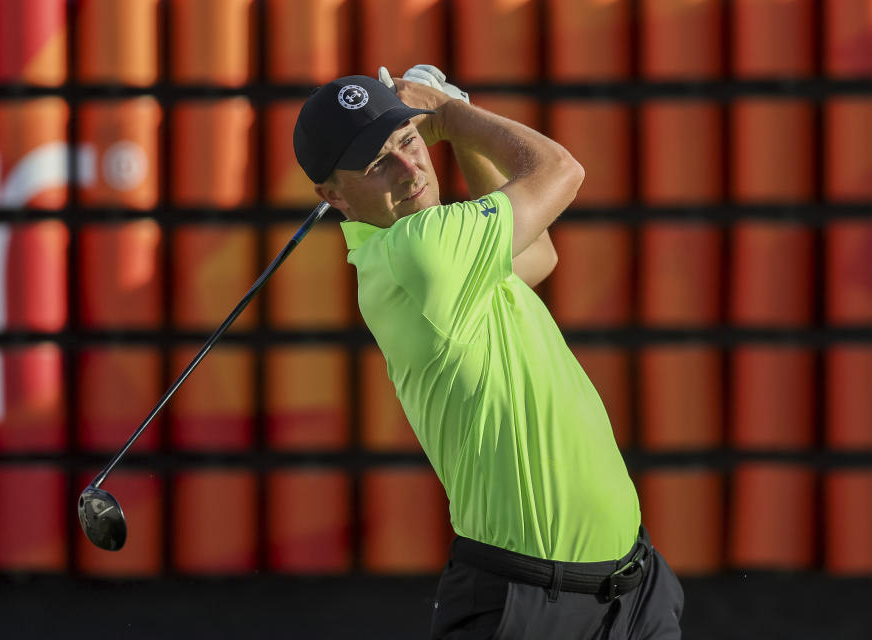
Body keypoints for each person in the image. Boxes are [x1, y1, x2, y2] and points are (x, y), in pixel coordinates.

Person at [293, 65, 684, 639]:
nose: (411, 168)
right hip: (525, 605)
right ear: (333, 196)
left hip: (633, 587)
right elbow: (561, 170)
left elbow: (537, 259)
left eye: (409, 140)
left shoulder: (444, 247)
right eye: (379, 164)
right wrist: (450, 116)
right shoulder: (421, 249)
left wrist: (453, 131)